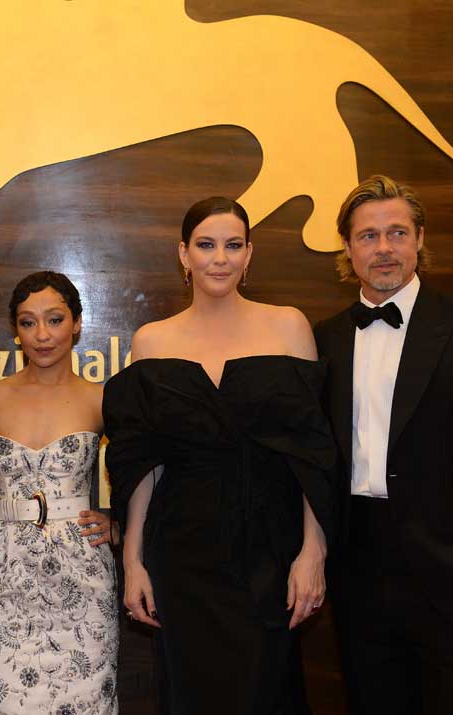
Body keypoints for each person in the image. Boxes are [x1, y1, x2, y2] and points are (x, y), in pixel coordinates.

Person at [313, 175, 453, 715]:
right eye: (368, 236)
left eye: (397, 232)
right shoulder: (324, 339)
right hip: (359, 572)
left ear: (419, 239)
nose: (384, 248)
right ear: (347, 247)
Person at [103, 197, 338, 714]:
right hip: (182, 551)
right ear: (182, 254)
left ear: (250, 254)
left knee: (267, 690)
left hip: (271, 545)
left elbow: (312, 453)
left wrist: (311, 551)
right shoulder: (152, 341)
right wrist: (134, 558)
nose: (219, 258)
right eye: (206, 245)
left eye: (233, 246)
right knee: (191, 694)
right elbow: (142, 462)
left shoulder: (289, 327)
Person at [0, 271, 119, 714]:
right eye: (28, 323)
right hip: (6, 577)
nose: (42, 335)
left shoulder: (101, 400)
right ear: (15, 331)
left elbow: (145, 477)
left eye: (55, 319)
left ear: (78, 323)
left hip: (83, 582)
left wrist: (117, 522)